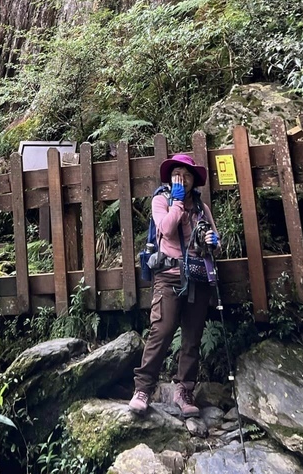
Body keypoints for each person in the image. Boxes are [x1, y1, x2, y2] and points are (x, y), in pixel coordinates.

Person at [129, 153, 221, 417]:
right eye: (177, 173)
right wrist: (178, 202)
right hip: (169, 275)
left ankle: (185, 390)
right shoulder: (162, 200)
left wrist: (214, 240)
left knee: (192, 337)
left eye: (187, 174)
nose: (182, 178)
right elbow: (167, 229)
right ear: (170, 178)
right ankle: (143, 388)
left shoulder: (202, 208)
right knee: (162, 330)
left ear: (194, 180)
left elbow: (216, 241)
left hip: (198, 277)